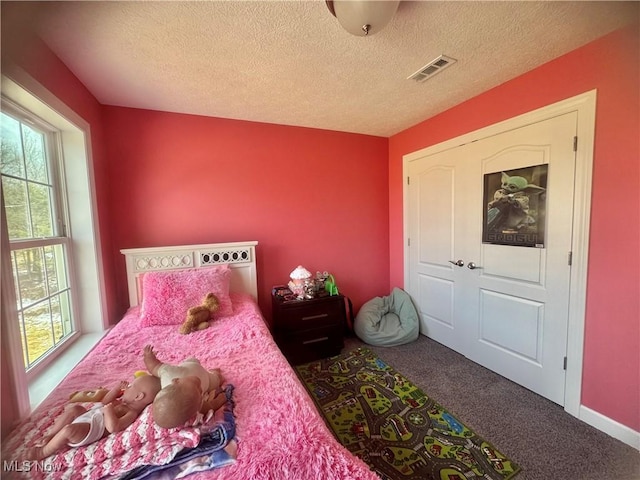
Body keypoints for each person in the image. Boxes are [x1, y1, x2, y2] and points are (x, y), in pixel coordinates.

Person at [25, 374, 161, 460]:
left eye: (131, 387)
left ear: (138, 397)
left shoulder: (131, 413)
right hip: (88, 417)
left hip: (89, 430)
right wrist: (115, 390)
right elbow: (104, 402)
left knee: (69, 430)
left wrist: (109, 412)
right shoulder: (122, 401)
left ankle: (43, 452)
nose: (128, 387)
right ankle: (51, 435)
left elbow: (114, 427)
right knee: (74, 409)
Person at [143, 345, 227, 429]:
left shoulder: (169, 374)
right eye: (200, 392)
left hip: (189, 365)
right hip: (207, 378)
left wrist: (148, 357)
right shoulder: (195, 406)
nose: (200, 387)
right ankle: (214, 374)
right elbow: (209, 406)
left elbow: (154, 367)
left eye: (195, 385)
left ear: (176, 380)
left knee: (191, 360)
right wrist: (219, 400)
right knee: (217, 379)